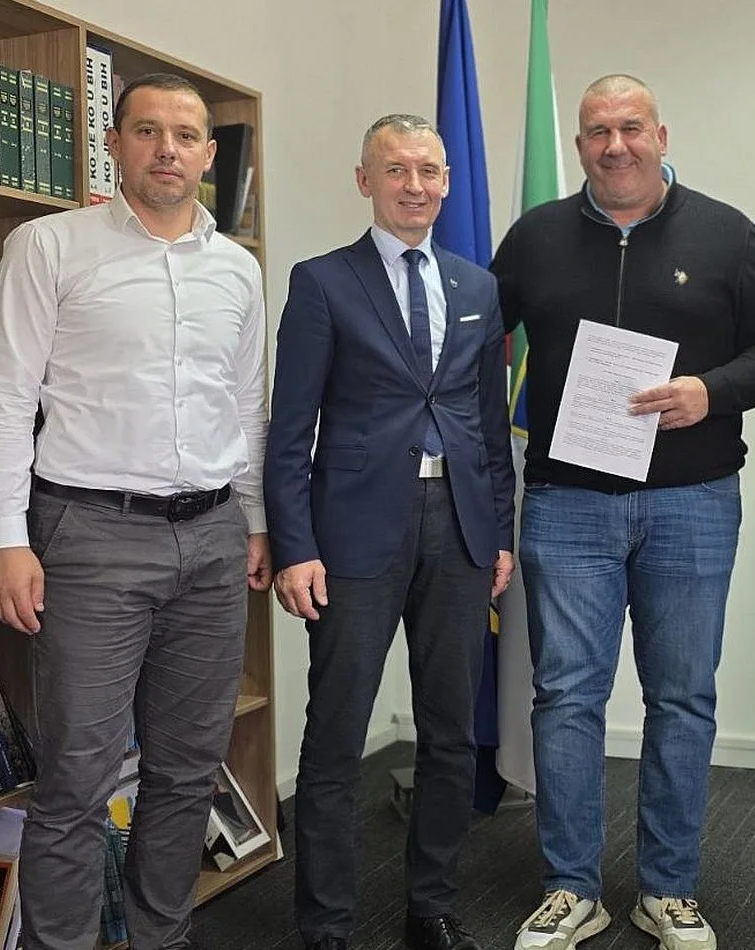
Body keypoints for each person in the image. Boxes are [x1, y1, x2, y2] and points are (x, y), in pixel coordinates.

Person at [493, 74, 755, 950]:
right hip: (565, 504)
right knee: (565, 698)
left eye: (631, 127)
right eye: (597, 131)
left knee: (681, 698)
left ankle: (668, 890)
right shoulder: (535, 237)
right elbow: (478, 344)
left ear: (661, 136)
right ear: (579, 145)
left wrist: (712, 391)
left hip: (691, 502)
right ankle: (570, 889)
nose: (615, 145)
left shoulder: (727, 233)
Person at [0, 72, 272, 950]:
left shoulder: (238, 268)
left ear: (208, 155)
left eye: (184, 135)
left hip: (213, 539)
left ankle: (160, 938)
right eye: (146, 131)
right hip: (89, 537)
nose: (166, 149)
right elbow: (3, 400)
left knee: (185, 771)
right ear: (113, 145)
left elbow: (245, 407)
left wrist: (254, 520)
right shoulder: (48, 245)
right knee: (76, 778)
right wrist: (6, 539)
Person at [264, 114, 515, 950]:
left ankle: (430, 908)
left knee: (451, 732)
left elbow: (487, 425)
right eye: (397, 169)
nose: (416, 185)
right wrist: (295, 545)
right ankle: (326, 926)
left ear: (447, 181)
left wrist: (499, 533)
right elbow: (290, 429)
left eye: (429, 170)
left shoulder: (476, 287)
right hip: (351, 536)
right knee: (337, 735)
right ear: (364, 180)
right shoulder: (322, 282)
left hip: (460, 531)